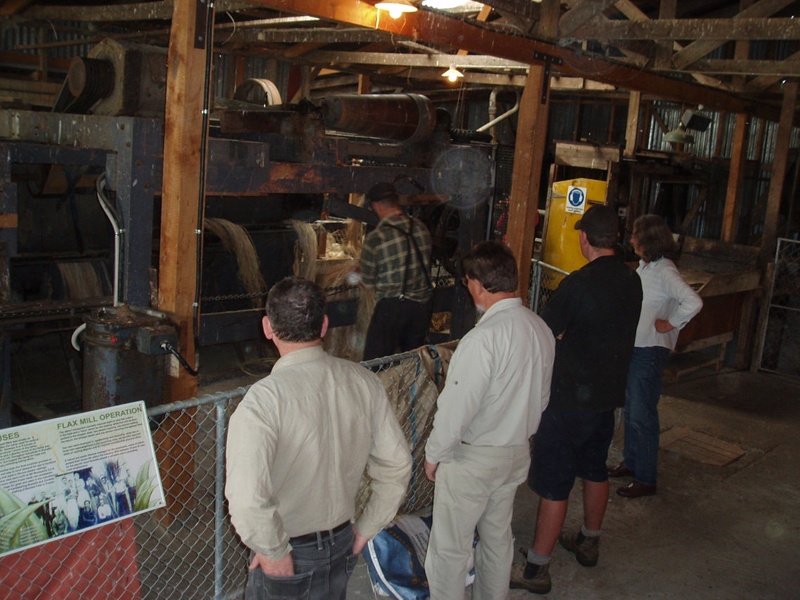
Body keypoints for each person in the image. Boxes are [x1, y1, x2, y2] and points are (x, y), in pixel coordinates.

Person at [226, 276, 412, 600]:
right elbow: (398, 465)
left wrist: (273, 552)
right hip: (342, 543)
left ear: (267, 327)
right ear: (324, 326)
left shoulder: (261, 402)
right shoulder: (364, 383)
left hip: (289, 550)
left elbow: (246, 499)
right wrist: (367, 528)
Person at [512, 204, 643, 595]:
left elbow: (545, 333)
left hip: (568, 398)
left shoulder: (577, 284)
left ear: (583, 238)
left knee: (554, 484)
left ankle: (536, 570)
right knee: (595, 469)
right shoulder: (631, 281)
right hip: (606, 397)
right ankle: (589, 540)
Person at [424, 241, 556, 600]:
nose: (469, 290)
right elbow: (542, 398)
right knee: (498, 540)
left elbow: (458, 407)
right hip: (515, 452)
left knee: (450, 549)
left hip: (473, 459)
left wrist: (435, 452)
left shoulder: (482, 339)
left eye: (468, 282)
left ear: (478, 284)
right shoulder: (540, 329)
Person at [608, 214, 703, 498]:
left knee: (642, 414)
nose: (631, 239)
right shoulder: (647, 267)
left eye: (636, 235)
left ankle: (646, 477)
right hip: (637, 348)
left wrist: (671, 322)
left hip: (649, 351)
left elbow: (694, 301)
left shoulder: (665, 272)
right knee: (633, 409)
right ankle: (633, 461)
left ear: (648, 240)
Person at [360, 181, 433, 360]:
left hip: (391, 311)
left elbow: (367, 281)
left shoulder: (376, 237)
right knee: (413, 363)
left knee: (376, 364)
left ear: (376, 206)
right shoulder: (421, 228)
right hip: (421, 309)